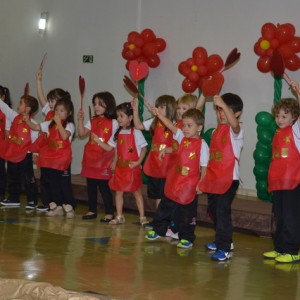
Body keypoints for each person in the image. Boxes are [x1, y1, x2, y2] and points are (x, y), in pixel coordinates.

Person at [145, 108, 209, 249]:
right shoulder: (181, 138)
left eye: (189, 126)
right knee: (165, 206)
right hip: (175, 180)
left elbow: (204, 167)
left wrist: (200, 184)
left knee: (187, 212)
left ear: (199, 127)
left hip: (189, 184)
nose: (185, 128)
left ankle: (187, 237)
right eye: (184, 125)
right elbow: (171, 127)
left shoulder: (202, 145)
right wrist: (160, 115)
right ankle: (158, 230)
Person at [198, 93, 244, 261]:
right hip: (214, 179)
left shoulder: (236, 130)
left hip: (229, 180)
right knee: (212, 210)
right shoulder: (217, 131)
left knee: (222, 211)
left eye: (226, 110)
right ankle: (224, 241)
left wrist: (223, 104)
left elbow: (235, 126)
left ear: (236, 114)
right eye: (218, 110)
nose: (221, 114)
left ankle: (224, 248)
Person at [263, 80, 300, 263]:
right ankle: (280, 248)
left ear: (294, 117)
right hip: (277, 182)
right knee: (279, 216)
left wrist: (298, 92)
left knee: (290, 216)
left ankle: (293, 251)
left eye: (284, 116)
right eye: (277, 116)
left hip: (293, 182)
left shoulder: (296, 131)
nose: (279, 119)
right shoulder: (278, 133)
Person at [95, 102, 149, 225]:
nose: (118, 118)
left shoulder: (136, 132)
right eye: (117, 116)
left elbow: (144, 148)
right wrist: (113, 162)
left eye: (121, 116)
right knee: (118, 192)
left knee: (136, 192)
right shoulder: (117, 133)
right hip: (120, 168)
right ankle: (119, 216)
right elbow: (114, 149)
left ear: (130, 118)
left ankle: (142, 217)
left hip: (132, 168)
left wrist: (138, 162)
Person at [25, 95, 76, 218]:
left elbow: (64, 136)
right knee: (52, 183)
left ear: (69, 113)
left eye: (61, 110)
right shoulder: (50, 123)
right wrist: (27, 120)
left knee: (63, 184)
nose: (58, 113)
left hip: (62, 158)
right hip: (51, 158)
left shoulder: (69, 125)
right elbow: (37, 127)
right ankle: (57, 205)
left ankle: (69, 206)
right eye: (56, 110)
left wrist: (59, 123)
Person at [78, 92, 117, 222]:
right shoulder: (93, 120)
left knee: (104, 187)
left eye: (100, 104)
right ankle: (92, 210)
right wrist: (80, 120)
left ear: (109, 104)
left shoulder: (114, 122)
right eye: (95, 104)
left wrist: (114, 161)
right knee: (91, 186)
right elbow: (82, 133)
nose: (96, 107)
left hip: (104, 160)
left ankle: (110, 212)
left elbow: (113, 146)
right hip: (90, 158)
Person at [132, 95, 176, 210]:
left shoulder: (175, 123)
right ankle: (159, 220)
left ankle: (166, 221)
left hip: (168, 165)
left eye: (162, 107)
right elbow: (137, 125)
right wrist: (135, 110)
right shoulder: (154, 121)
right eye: (157, 107)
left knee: (166, 195)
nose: (158, 109)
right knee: (158, 196)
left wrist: (161, 116)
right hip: (155, 163)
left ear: (170, 108)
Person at [35, 68, 68, 212]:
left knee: (56, 181)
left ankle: (59, 203)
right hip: (46, 150)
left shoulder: (64, 118)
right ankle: (47, 202)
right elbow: (41, 96)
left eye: (53, 100)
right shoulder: (49, 112)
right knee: (44, 178)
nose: (50, 102)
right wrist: (38, 80)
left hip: (59, 154)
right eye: (50, 100)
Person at [0, 93, 39, 209]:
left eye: (21, 103)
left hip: (25, 155)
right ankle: (13, 198)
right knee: (12, 176)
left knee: (28, 178)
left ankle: (32, 200)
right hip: (13, 153)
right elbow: (5, 108)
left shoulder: (34, 124)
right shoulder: (15, 117)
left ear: (28, 108)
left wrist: (36, 154)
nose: (18, 104)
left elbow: (36, 141)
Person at [0, 85, 12, 202]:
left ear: (2, 98)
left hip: (1, 146)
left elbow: (7, 132)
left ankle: (1, 193)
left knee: (0, 170)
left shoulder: (6, 113)